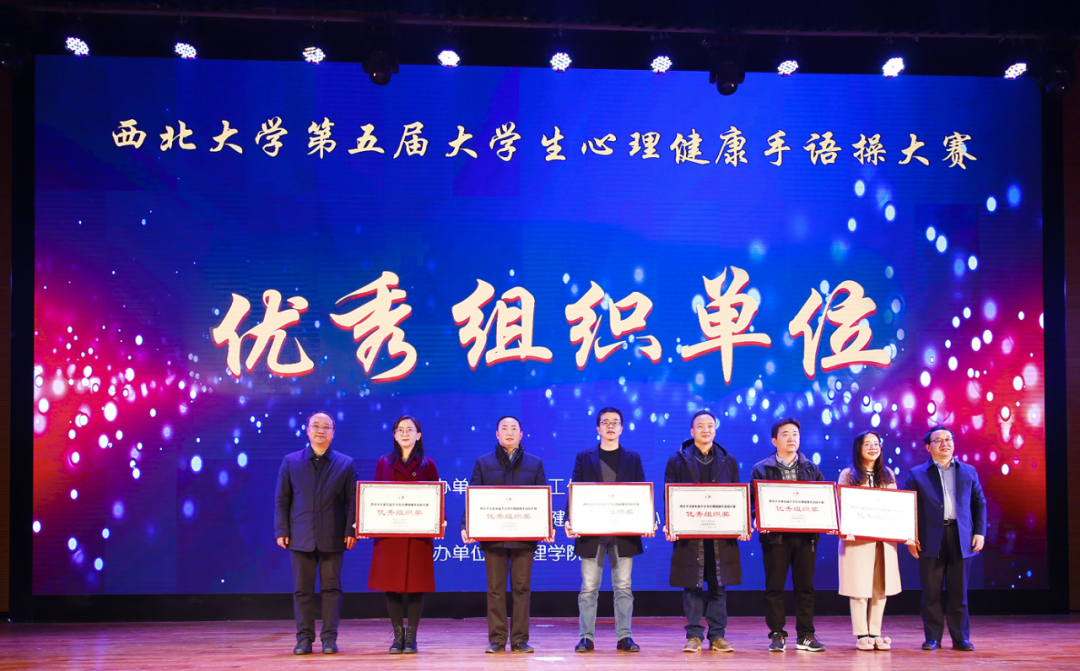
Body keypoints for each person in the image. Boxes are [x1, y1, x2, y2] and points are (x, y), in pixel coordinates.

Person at [564, 407, 653, 654]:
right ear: (598, 428)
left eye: (615, 422)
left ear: (622, 428)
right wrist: (568, 519)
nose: (611, 426)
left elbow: (641, 492)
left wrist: (646, 520)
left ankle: (625, 636)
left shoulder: (633, 457)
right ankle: (586, 637)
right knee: (589, 588)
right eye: (605, 422)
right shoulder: (584, 457)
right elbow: (575, 490)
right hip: (591, 533)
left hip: (623, 534)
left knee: (623, 587)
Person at [461, 416, 551, 654]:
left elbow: (542, 497)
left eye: (514, 429)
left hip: (524, 536)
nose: (509, 432)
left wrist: (547, 525)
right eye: (504, 428)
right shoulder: (483, 462)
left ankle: (520, 639)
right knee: (495, 589)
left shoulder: (535, 463)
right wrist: (465, 524)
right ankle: (498, 639)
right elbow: (473, 496)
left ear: (521, 435)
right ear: (497, 434)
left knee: (522, 589)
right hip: (493, 536)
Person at [663, 410, 751, 653]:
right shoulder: (677, 460)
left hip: (721, 535)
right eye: (700, 426)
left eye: (710, 425)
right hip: (690, 534)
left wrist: (742, 524)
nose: (705, 429)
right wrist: (671, 523)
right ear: (692, 431)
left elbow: (737, 497)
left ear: (715, 430)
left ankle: (717, 636)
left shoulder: (728, 460)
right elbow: (669, 495)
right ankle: (693, 636)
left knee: (718, 587)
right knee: (691, 587)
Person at [274, 411, 357, 655]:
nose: (321, 430)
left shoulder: (345, 463)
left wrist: (350, 530)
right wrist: (281, 529)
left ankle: (329, 638)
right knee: (302, 591)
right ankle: (304, 639)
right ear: (308, 430)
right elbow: (282, 499)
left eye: (326, 427)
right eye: (316, 426)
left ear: (333, 433)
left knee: (331, 590)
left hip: (333, 537)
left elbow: (353, 501)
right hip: (300, 536)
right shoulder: (291, 461)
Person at [363, 415, 443, 654]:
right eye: (400, 430)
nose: (405, 433)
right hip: (390, 536)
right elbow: (374, 496)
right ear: (394, 435)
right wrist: (366, 521)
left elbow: (437, 497)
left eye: (410, 429)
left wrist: (440, 521)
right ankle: (398, 637)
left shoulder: (428, 465)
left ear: (419, 435)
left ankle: (412, 637)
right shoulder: (383, 462)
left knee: (417, 585)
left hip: (418, 535)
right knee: (391, 584)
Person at [751, 417, 830, 653]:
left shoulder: (811, 468)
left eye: (795, 434)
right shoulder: (761, 469)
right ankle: (777, 634)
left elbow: (822, 500)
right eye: (785, 434)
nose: (791, 438)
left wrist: (826, 519)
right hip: (775, 538)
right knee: (774, 587)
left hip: (806, 537)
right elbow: (754, 503)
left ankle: (806, 635)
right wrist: (758, 518)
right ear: (774, 440)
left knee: (805, 587)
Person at [904, 425, 986, 652]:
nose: (944, 444)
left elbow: (979, 502)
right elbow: (908, 507)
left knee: (959, 593)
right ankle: (933, 638)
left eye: (948, 439)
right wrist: (910, 537)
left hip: (961, 536)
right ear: (928, 447)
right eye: (938, 440)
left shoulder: (968, 471)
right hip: (930, 538)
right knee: (931, 593)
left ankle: (960, 638)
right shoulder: (917, 473)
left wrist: (979, 532)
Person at [837, 430, 902, 651]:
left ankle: (875, 632)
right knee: (859, 587)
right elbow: (841, 505)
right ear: (859, 448)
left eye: (876, 444)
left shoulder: (888, 474)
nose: (873, 447)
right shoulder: (848, 474)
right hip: (857, 539)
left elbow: (895, 506)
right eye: (868, 444)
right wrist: (846, 527)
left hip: (884, 539)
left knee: (880, 587)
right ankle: (861, 634)